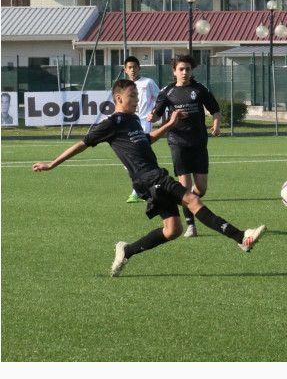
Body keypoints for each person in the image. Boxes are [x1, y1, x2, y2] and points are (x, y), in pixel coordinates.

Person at [33, 79, 266, 277]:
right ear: (119, 98)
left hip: (151, 178)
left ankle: (126, 251)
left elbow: (146, 140)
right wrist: (52, 164)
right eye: (132, 96)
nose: (137, 100)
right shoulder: (111, 123)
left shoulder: (133, 120)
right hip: (149, 177)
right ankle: (240, 237)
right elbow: (81, 144)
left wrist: (169, 125)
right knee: (194, 202)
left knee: (172, 230)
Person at [147, 54, 221, 238]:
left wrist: (216, 125)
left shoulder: (200, 89)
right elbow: (157, 114)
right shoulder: (167, 92)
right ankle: (190, 225)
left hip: (198, 141)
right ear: (174, 71)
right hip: (177, 142)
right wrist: (152, 117)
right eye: (181, 69)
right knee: (185, 186)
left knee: (201, 188)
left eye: (187, 69)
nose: (185, 72)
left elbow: (215, 110)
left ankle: (190, 201)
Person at [123, 56, 161, 203]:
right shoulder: (123, 86)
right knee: (128, 160)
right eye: (129, 67)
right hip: (128, 124)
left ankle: (137, 191)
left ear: (139, 68)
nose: (132, 70)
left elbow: (160, 99)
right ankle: (147, 188)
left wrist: (156, 113)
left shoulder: (148, 83)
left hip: (145, 123)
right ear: (125, 70)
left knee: (141, 156)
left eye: (135, 67)